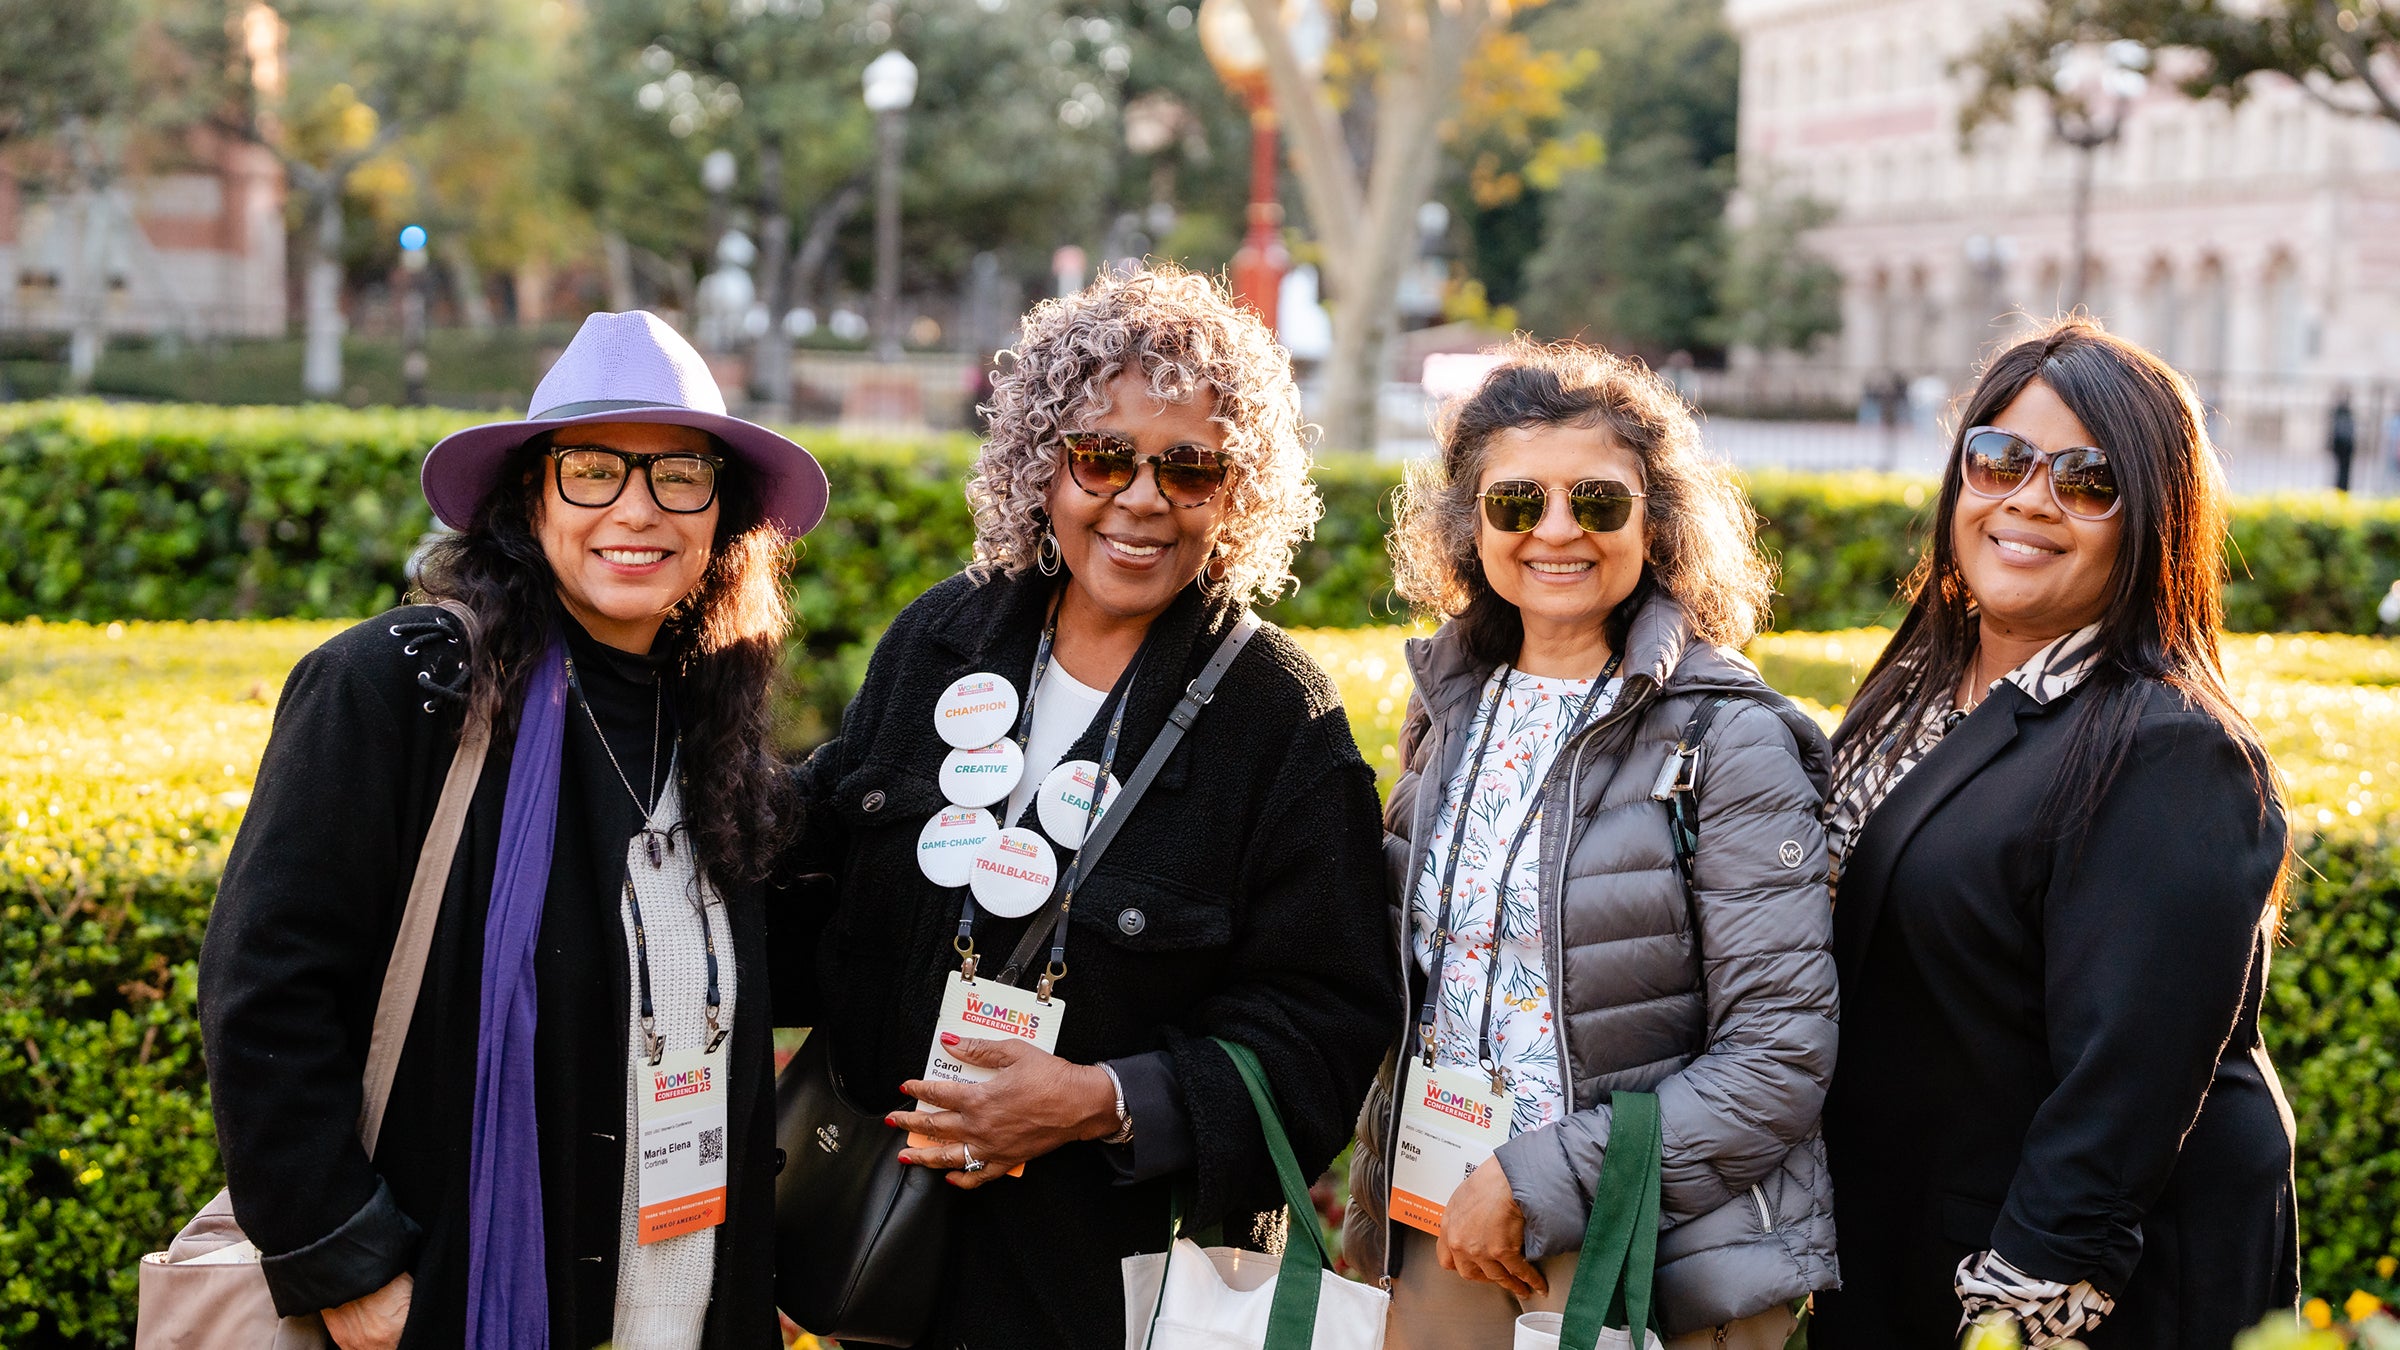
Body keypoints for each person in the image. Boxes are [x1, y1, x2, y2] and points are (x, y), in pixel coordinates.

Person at [776, 265, 1399, 1350]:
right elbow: (812, 874)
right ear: (1045, 468)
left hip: (1100, 1281)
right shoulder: (942, 638)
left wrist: (1102, 1098)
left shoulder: (1278, 723)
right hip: (878, 1231)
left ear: (1236, 492)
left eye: (1190, 468)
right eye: (1104, 455)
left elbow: (1325, 1026)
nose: (1142, 498)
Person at [199, 311, 827, 1350]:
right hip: (457, 1305)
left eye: (680, 475)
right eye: (593, 470)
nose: (638, 508)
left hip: (682, 1302)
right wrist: (345, 1261)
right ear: (529, 495)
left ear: (723, 515)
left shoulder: (712, 725)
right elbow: (263, 983)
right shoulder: (400, 688)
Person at [1809, 319, 2296, 1350]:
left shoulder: (2167, 747)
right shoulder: (1922, 693)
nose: (2029, 498)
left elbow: (2116, 1109)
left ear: (2154, 518)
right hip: (1900, 1239)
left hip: (2055, 1295)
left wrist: (2011, 1323)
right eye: (2000, 459)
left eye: (2088, 480)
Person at [1346, 340, 1840, 1350]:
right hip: (1446, 1225)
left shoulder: (1727, 735)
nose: (1557, 531)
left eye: (1599, 502)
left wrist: (1538, 1183)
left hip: (1649, 1249)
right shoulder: (1448, 709)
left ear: (1653, 523)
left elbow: (1779, 1057)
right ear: (1470, 525)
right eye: (1518, 502)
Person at [2328, 389, 2357, 493]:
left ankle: (2342, 488)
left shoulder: (2345, 411)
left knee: (2345, 470)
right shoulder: (2339, 411)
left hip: (2346, 445)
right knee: (2341, 470)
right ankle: (2340, 488)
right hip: (2341, 444)